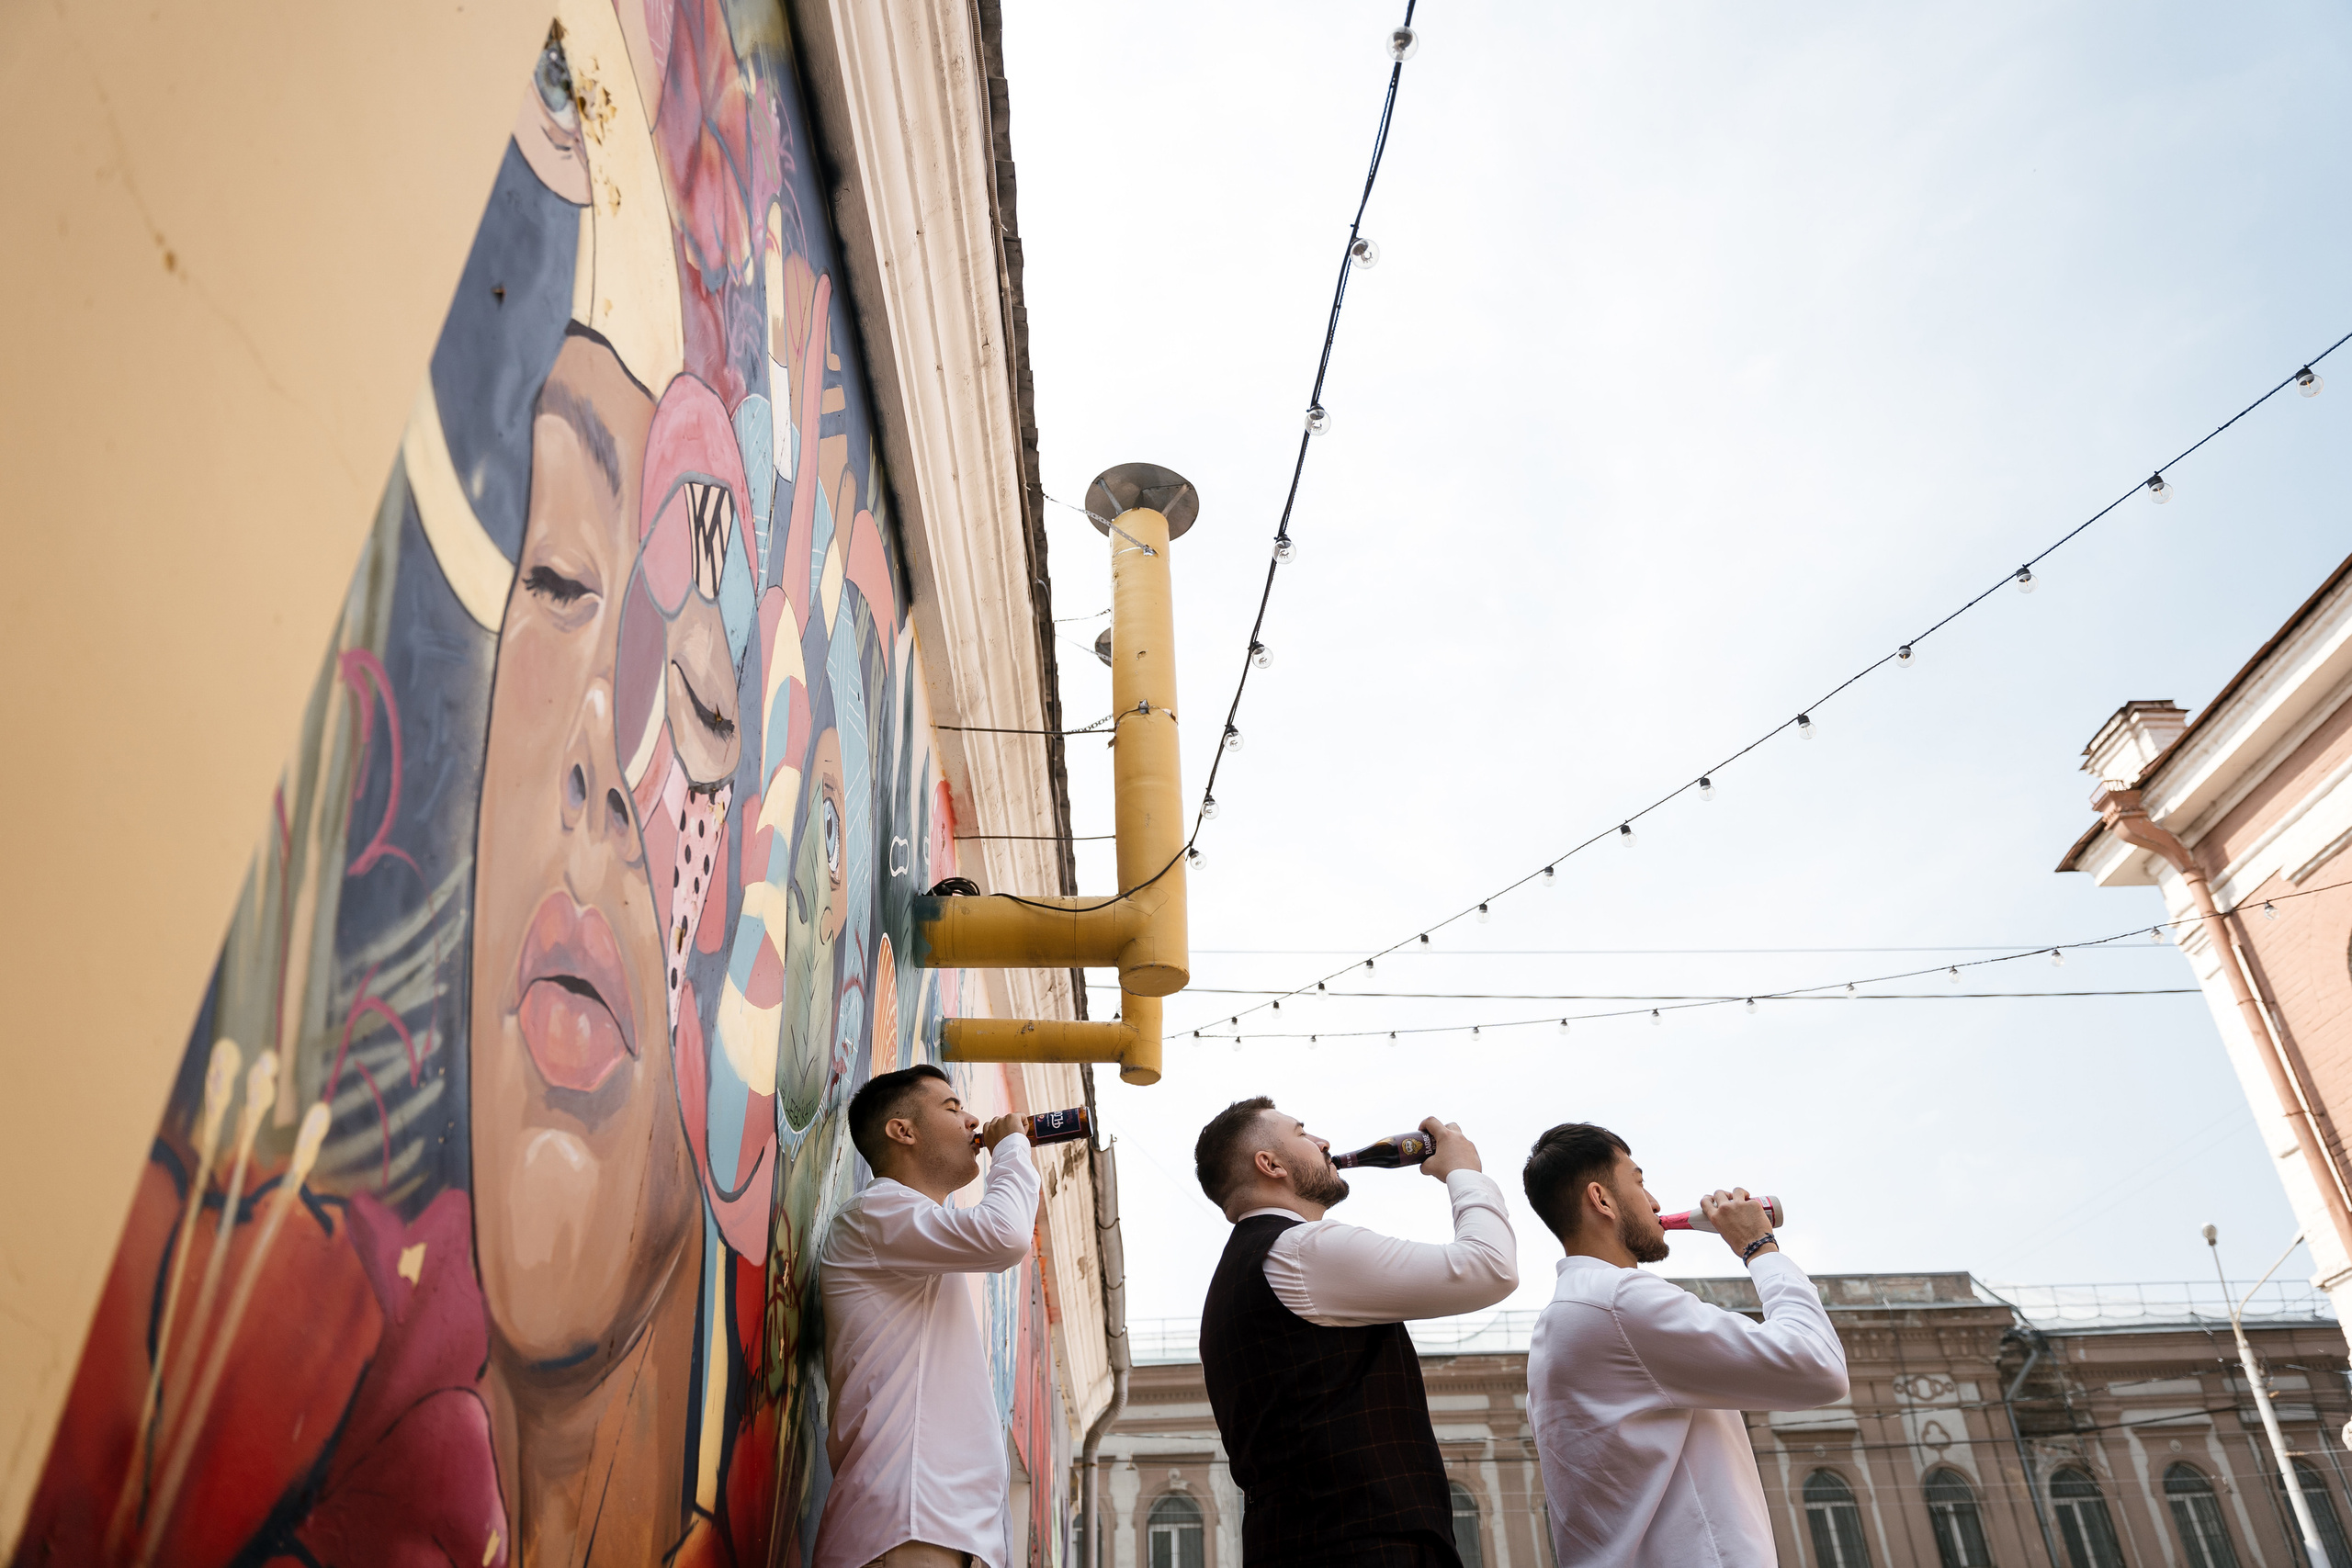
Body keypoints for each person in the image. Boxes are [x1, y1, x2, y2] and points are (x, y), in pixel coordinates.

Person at [1193, 1099, 1518, 1568]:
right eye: (1302, 1133)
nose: (1323, 1142)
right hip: (1371, 1547)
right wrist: (1465, 1172)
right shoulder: (1303, 1250)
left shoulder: (1231, 1281)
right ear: (1270, 1164)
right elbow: (1490, 1268)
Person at [1521, 1123, 1847, 1568]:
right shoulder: (1620, 1301)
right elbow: (1819, 1366)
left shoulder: (1559, 1324)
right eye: (1639, 1182)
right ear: (1601, 1199)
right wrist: (1759, 1246)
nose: (1655, 1203)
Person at [815, 1065, 1041, 1568]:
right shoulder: (874, 1214)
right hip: (907, 1529)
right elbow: (1006, 1235)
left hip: (938, 1532)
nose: (973, 1121)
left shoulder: (913, 1238)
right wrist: (1010, 1148)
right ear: (903, 1131)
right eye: (953, 1108)